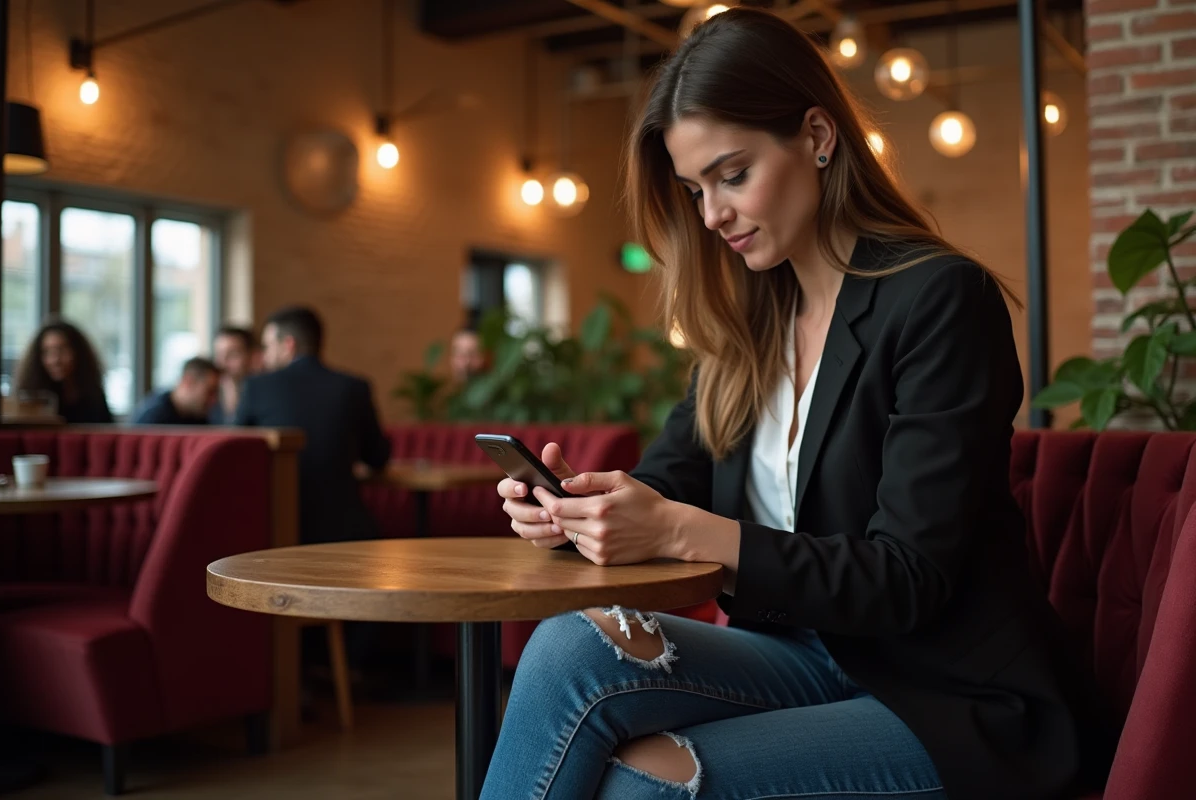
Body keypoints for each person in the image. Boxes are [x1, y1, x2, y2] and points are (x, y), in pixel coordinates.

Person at [484, 9, 1109, 800]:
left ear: (817, 136)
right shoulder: (747, 323)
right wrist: (579, 512)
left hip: (945, 694)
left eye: (732, 174)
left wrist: (678, 528)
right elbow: (669, 486)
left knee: (644, 785)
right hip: (802, 655)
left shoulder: (939, 299)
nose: (711, 214)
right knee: (567, 651)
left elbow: (907, 577)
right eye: (694, 188)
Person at [235, 306, 391, 544]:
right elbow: (378, 457)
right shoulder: (354, 387)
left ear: (288, 344)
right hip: (344, 531)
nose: (264, 356)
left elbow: (236, 456)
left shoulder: (256, 388)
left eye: (267, 347)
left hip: (275, 529)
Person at [13, 319, 113, 424]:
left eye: (62, 350)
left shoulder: (94, 396)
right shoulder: (29, 398)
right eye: (47, 352)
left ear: (78, 353)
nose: (55, 360)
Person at [131, 357, 221, 425]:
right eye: (209, 392)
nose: (214, 400)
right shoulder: (152, 419)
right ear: (188, 382)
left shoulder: (199, 417)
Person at [209, 325, 256, 424]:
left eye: (232, 354)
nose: (222, 362)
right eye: (218, 354)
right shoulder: (208, 395)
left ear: (251, 356)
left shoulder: (263, 394)